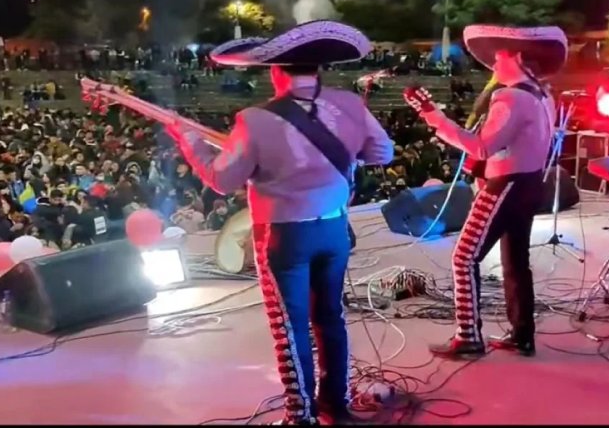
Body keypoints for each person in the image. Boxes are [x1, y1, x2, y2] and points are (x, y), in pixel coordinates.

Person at [166, 23, 394, 425]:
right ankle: (335, 406)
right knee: (330, 317)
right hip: (334, 229)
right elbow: (382, 152)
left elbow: (222, 180)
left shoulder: (255, 119)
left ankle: (300, 415)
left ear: (275, 71)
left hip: (284, 234)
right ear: (318, 70)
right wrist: (339, 161)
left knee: (291, 327)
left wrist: (191, 142)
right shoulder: (350, 105)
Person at [402, 25, 566, 357]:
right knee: (516, 261)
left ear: (518, 57)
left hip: (504, 185)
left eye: (500, 55)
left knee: (463, 257)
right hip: (531, 183)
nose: (493, 61)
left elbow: (480, 147)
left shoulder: (510, 96)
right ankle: (522, 335)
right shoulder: (543, 94)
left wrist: (433, 117)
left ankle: (468, 337)